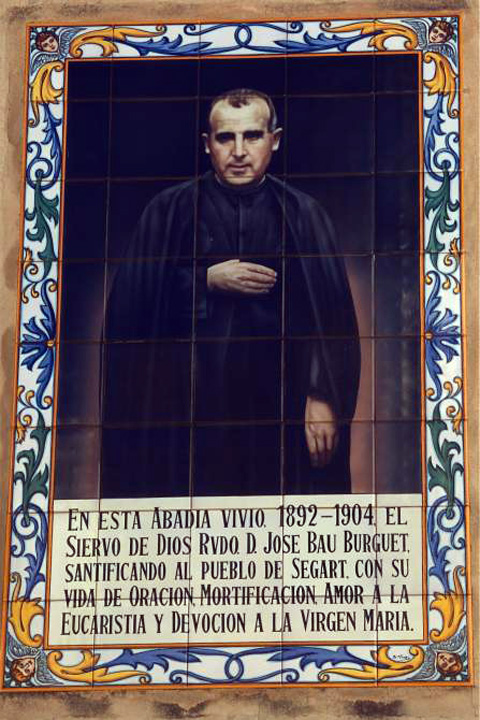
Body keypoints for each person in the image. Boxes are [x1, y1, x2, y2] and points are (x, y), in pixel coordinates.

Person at [104, 88, 360, 497]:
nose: (239, 152)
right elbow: (129, 307)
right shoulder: (168, 211)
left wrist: (323, 396)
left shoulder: (304, 215)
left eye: (252, 136)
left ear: (275, 140)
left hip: (282, 405)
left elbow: (333, 322)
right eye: (226, 138)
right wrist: (205, 281)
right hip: (188, 409)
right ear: (208, 144)